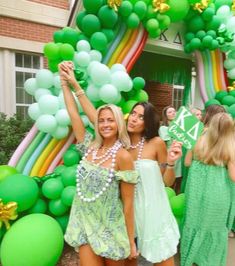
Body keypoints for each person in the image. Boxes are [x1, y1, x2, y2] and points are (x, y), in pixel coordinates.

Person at [59, 62, 182, 266]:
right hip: (121, 208)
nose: (134, 118)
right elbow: (96, 118)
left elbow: (166, 183)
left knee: (161, 256)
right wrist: (73, 85)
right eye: (133, 113)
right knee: (129, 258)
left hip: (150, 207)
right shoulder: (120, 141)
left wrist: (170, 164)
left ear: (149, 121)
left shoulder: (156, 143)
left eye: (141, 117)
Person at [59, 62, 138, 266]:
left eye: (110, 120)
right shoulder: (88, 147)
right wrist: (65, 84)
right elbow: (73, 114)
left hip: (112, 228)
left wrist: (131, 241)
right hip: (85, 222)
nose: (105, 124)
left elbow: (128, 204)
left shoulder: (122, 157)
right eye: (101, 120)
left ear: (119, 123)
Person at [180, 112, 235, 266]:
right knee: (213, 226)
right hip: (218, 193)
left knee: (193, 221)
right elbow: (233, 176)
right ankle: (209, 260)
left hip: (196, 190)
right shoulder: (230, 147)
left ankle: (191, 257)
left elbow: (187, 163)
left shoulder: (197, 139)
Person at [159, 106, 182, 193]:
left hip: (180, 158)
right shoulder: (164, 128)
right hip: (170, 157)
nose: (173, 113)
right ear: (165, 115)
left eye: (174, 111)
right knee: (169, 183)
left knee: (179, 181)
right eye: (170, 112)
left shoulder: (180, 128)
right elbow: (164, 146)